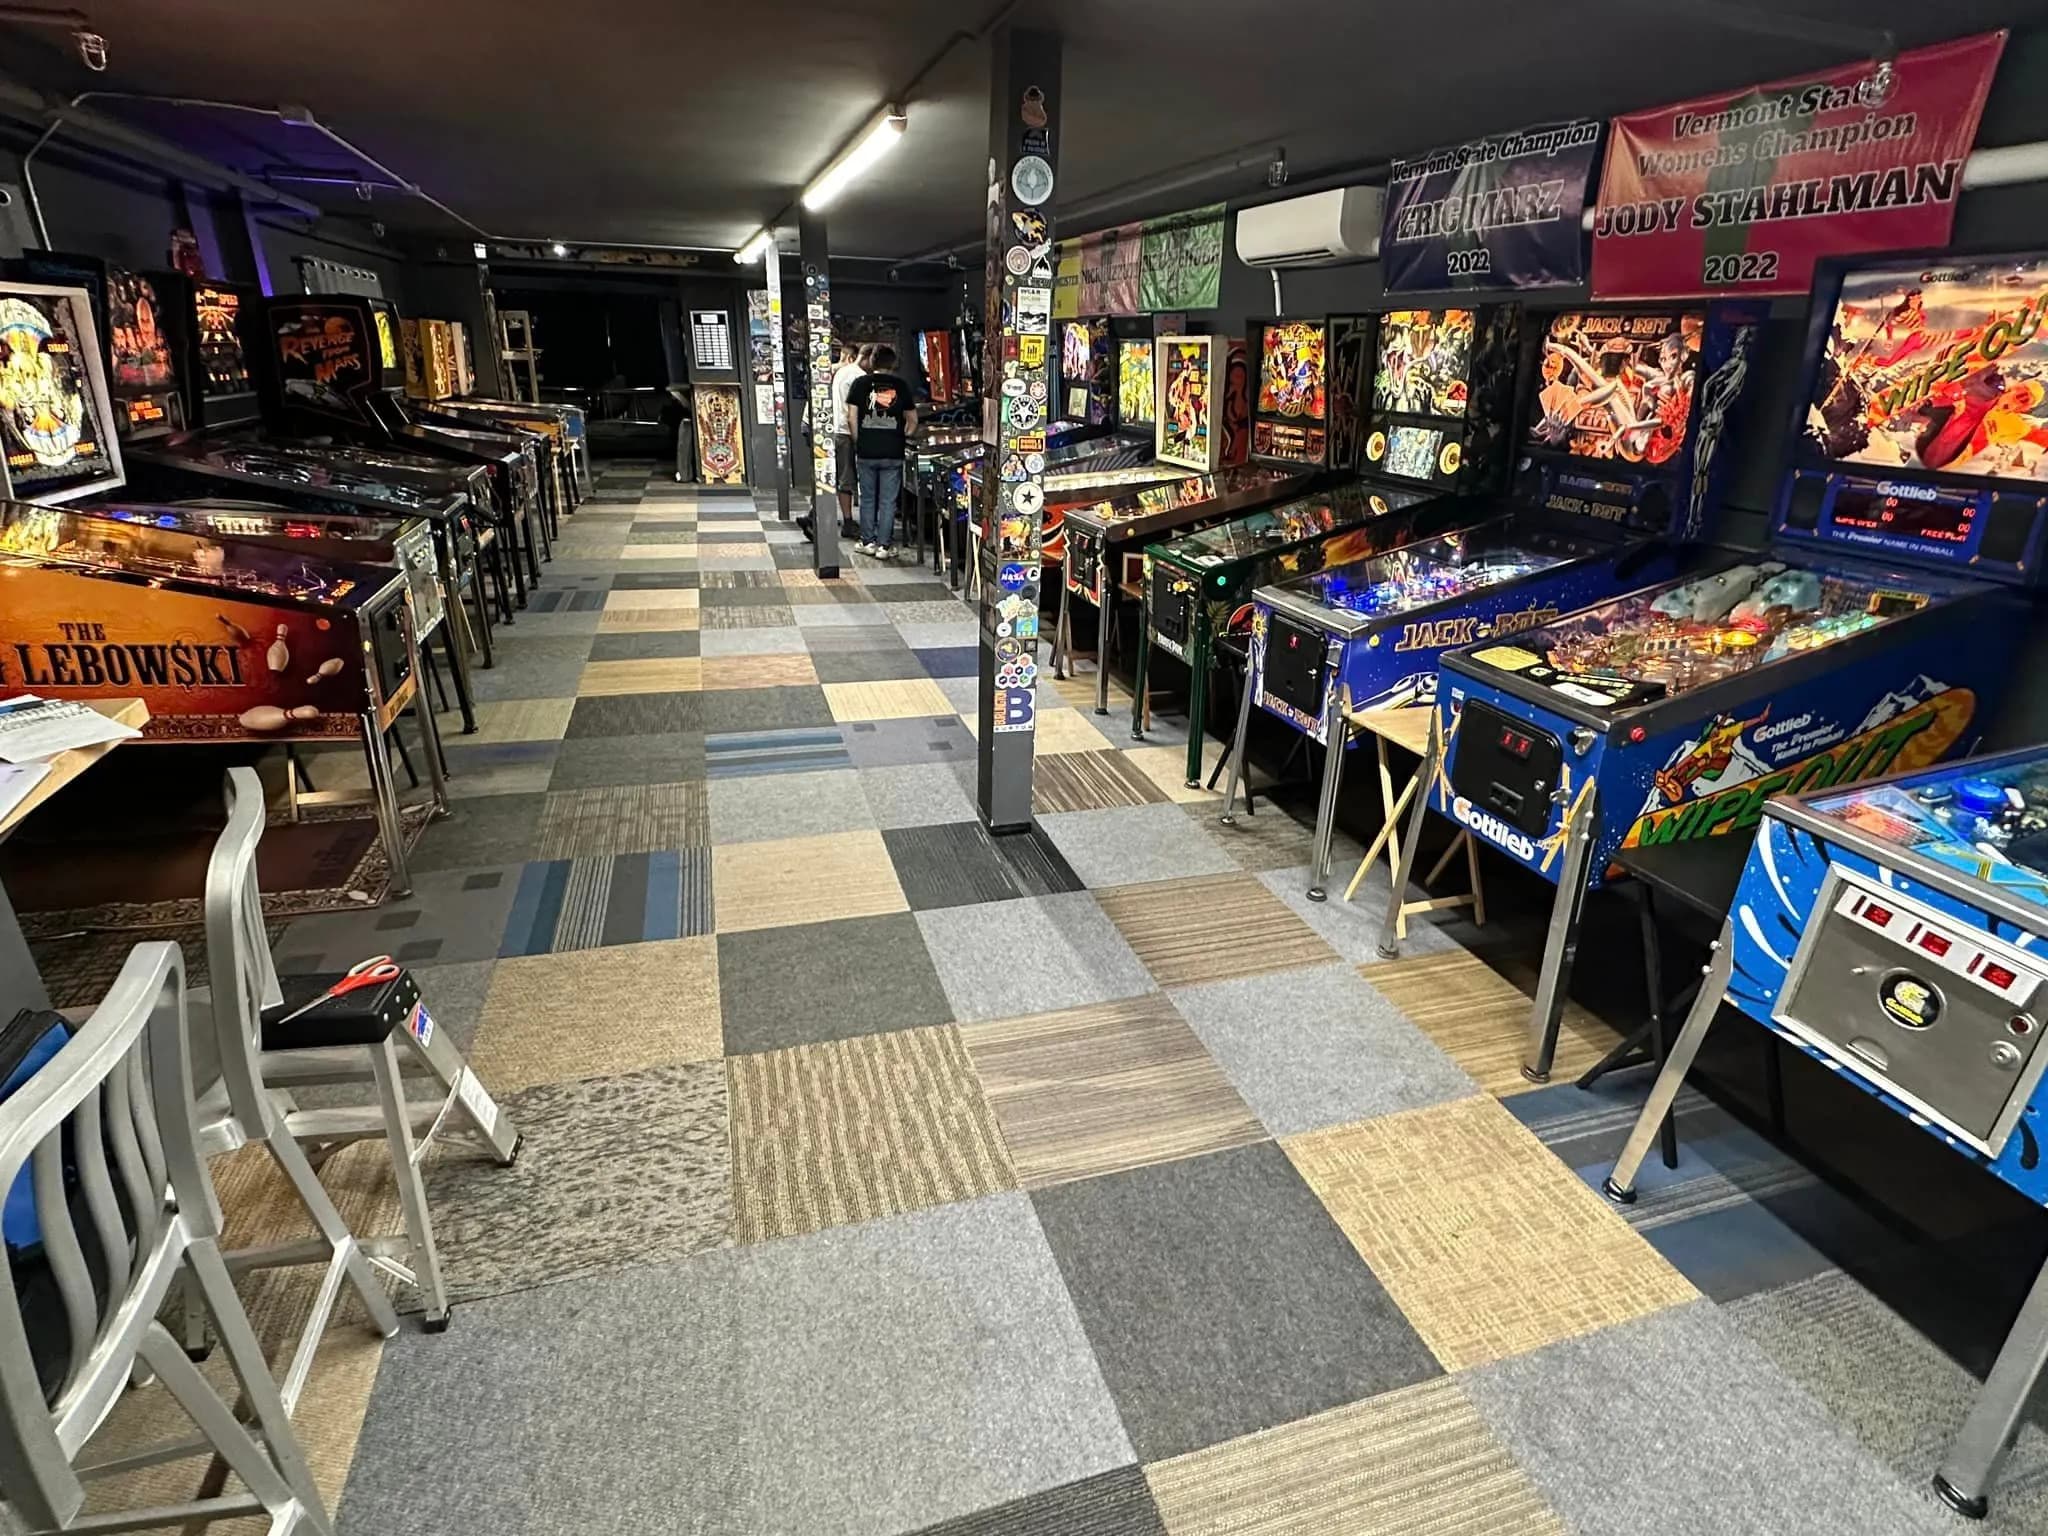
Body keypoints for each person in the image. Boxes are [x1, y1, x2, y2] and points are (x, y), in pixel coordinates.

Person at [845, 344, 915, 558]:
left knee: (867, 499)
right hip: (892, 451)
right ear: (893, 363)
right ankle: (884, 547)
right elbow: (912, 420)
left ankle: (868, 542)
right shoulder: (901, 385)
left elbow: (851, 417)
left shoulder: (860, 384)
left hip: (867, 451)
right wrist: (903, 436)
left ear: (873, 361)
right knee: (887, 501)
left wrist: (860, 440)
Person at [830, 343, 873, 537]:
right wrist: (859, 438)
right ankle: (848, 522)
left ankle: (848, 519)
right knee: (846, 478)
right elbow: (855, 412)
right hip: (847, 432)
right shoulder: (860, 377)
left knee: (842, 476)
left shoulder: (842, 371)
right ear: (867, 358)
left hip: (837, 429)